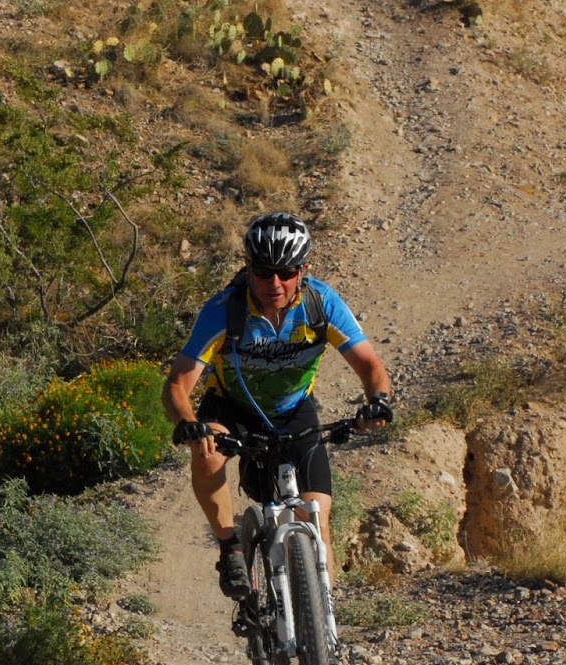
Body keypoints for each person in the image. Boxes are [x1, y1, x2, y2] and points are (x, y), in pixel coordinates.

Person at [161, 212, 394, 606]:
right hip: (232, 407)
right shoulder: (223, 310)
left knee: (317, 521)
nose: (275, 284)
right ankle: (230, 547)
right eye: (264, 272)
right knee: (207, 452)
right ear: (247, 265)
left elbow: (370, 366)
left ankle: (325, 635)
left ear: (303, 269)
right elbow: (177, 384)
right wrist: (188, 423)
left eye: (286, 273)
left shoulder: (321, 303)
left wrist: (379, 402)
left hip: (294, 410)